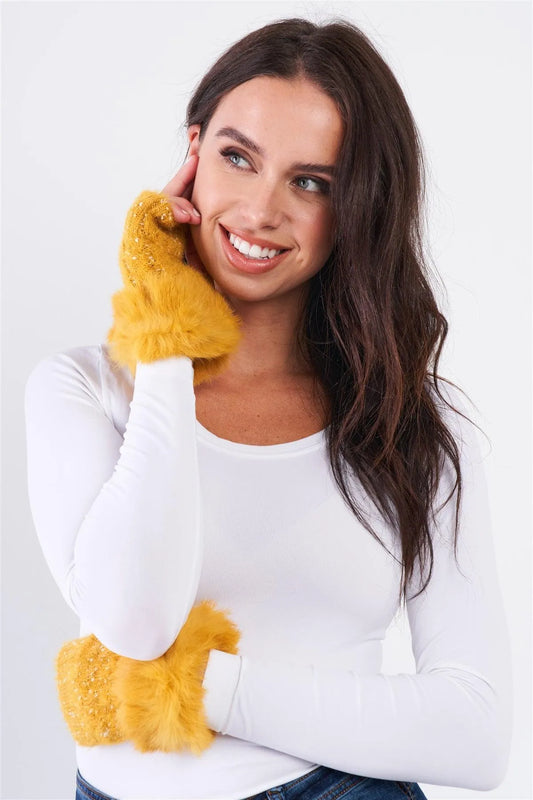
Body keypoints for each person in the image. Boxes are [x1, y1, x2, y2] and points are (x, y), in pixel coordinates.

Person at [24, 16, 513, 800]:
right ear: (192, 153)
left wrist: (195, 685)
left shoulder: (411, 420)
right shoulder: (81, 390)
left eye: (310, 182)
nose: (259, 210)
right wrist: (164, 321)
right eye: (237, 158)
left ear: (356, 206)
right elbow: (135, 620)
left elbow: (474, 734)